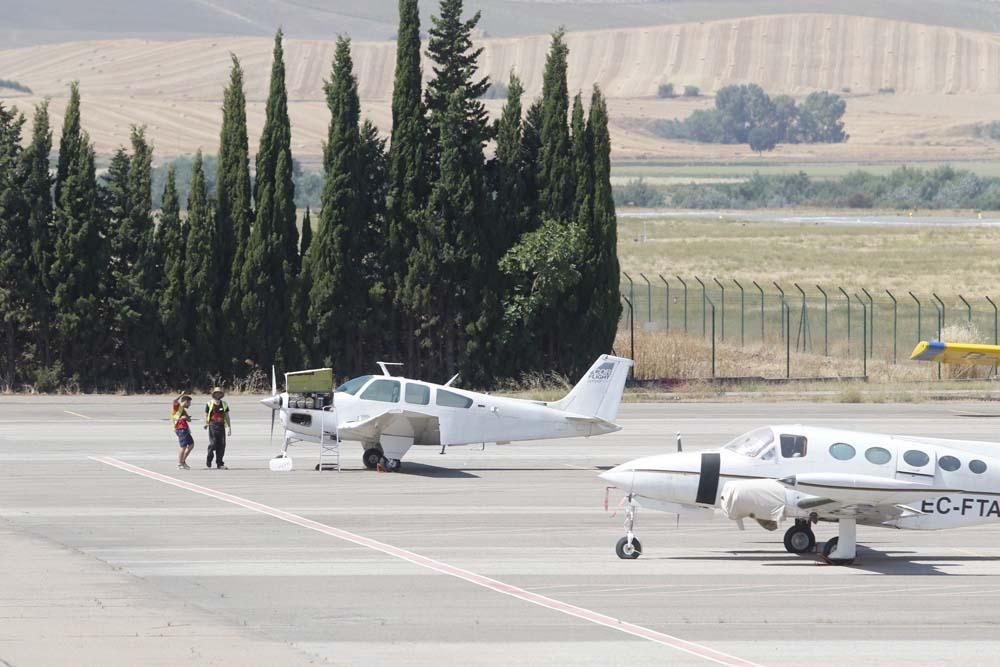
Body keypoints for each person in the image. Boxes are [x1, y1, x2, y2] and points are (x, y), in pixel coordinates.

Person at [204, 387, 231, 469]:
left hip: (221, 426)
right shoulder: (209, 403)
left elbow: (227, 416)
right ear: (214, 394)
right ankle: (209, 459)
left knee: (222, 445)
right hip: (212, 425)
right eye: (216, 393)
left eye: (219, 393)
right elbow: (206, 414)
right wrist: (206, 423)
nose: (218, 394)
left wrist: (229, 427)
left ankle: (220, 463)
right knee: (213, 444)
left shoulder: (224, 404)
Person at [172, 393, 194, 470]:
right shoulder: (178, 407)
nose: (190, 405)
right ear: (185, 401)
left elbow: (189, 420)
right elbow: (174, 401)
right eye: (189, 403)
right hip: (180, 429)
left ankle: (183, 461)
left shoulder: (183, 410)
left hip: (185, 429)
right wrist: (181, 395)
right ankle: (179, 463)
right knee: (183, 446)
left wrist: (186, 417)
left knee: (191, 445)